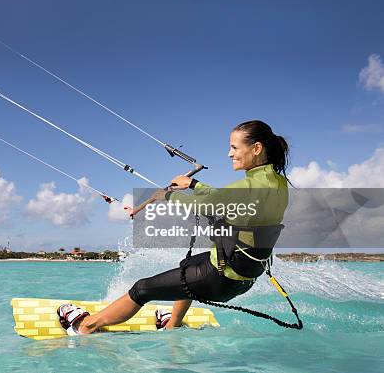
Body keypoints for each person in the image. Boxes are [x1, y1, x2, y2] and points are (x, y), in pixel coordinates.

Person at [57, 120, 291, 335]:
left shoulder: (248, 187)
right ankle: (173, 325)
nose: (229, 154)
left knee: (142, 289)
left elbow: (205, 205)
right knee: (187, 266)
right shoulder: (277, 183)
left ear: (257, 148)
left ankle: (84, 326)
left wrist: (167, 196)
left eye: (234, 148)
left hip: (220, 278)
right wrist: (194, 184)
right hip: (244, 276)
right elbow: (222, 198)